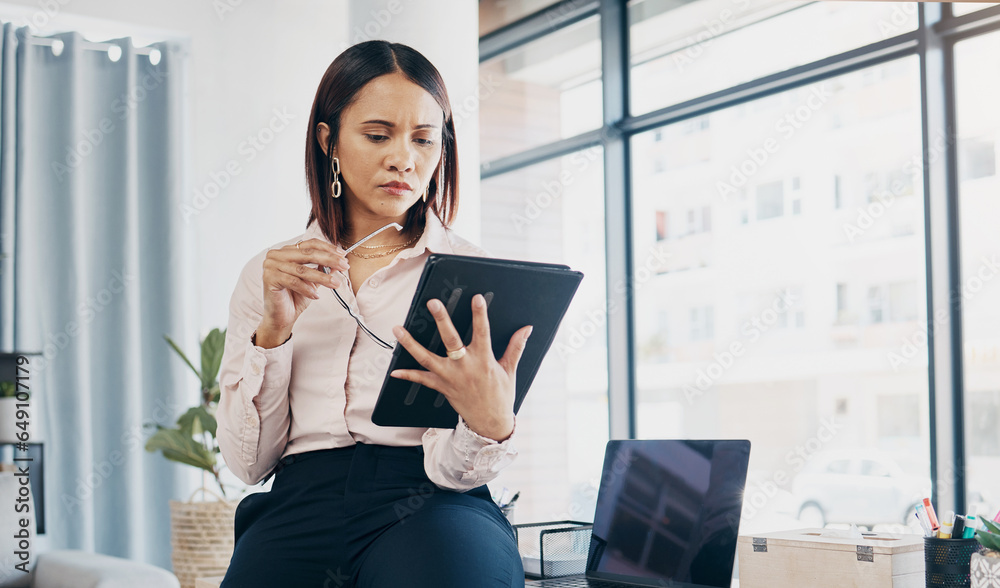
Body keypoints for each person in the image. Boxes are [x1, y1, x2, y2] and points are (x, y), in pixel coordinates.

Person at [216, 40, 531, 588]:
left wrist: (491, 422)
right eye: (378, 135)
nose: (403, 159)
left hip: (429, 500)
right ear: (328, 140)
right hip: (301, 498)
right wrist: (274, 332)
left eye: (424, 140)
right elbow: (250, 465)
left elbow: (453, 471)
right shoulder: (269, 274)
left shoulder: (473, 275)